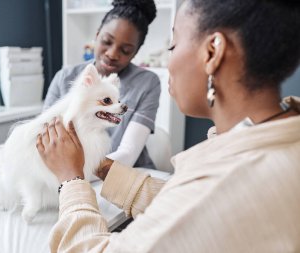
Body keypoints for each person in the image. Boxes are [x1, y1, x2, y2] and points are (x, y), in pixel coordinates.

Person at [37, 0, 300, 252]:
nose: (168, 61)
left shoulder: (220, 185)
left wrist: (71, 179)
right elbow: (180, 202)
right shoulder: (273, 140)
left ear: (212, 52)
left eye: (172, 46)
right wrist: (103, 167)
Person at [43, 0, 161, 169]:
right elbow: (47, 141)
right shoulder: (64, 78)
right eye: (107, 41)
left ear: (136, 51)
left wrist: (75, 174)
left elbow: (128, 153)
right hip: (69, 175)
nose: (112, 54)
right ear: (97, 35)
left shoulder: (147, 83)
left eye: (125, 50)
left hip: (125, 173)